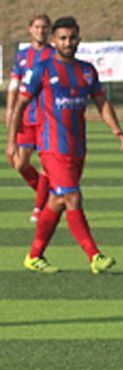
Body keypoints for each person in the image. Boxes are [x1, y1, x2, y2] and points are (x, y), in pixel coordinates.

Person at [6, 16, 123, 274]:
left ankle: (34, 256)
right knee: (72, 196)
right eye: (62, 38)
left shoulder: (86, 70)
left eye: (72, 38)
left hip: (77, 146)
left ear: (79, 40)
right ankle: (95, 256)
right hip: (51, 146)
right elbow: (20, 106)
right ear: (54, 40)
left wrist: (116, 128)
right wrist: (11, 141)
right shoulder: (43, 70)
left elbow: (101, 102)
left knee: (58, 201)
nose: (67, 42)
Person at [5, 13, 54, 222]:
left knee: (46, 165)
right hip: (26, 117)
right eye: (37, 27)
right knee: (20, 164)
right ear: (30, 29)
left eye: (44, 27)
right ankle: (48, 195)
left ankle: (39, 206)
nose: (41, 31)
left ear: (49, 30)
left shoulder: (55, 54)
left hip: (47, 118)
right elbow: (14, 85)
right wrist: (10, 110)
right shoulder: (22, 55)